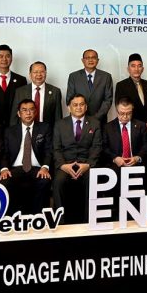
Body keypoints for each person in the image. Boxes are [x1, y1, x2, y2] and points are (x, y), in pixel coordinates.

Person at [52, 94, 101, 223]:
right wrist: (63, 165)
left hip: (86, 164)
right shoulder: (60, 124)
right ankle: (60, 222)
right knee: (58, 181)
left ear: (86, 107)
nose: (79, 107)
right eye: (75, 105)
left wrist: (88, 165)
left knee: (92, 180)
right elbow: (56, 149)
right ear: (69, 107)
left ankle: (88, 221)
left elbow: (96, 147)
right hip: (66, 164)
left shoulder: (95, 123)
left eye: (81, 104)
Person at [0, 99, 52, 215]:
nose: (28, 113)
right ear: (19, 113)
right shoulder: (9, 131)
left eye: (31, 110)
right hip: (15, 168)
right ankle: (11, 218)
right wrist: (4, 169)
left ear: (35, 112)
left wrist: (45, 167)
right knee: (4, 182)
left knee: (44, 181)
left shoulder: (44, 128)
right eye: (24, 110)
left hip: (37, 168)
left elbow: (48, 151)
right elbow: (4, 153)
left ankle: (38, 217)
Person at [65, 49, 113, 123]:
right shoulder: (73, 76)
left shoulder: (106, 77)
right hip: (78, 120)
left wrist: (96, 118)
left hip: (99, 121)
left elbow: (108, 100)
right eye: (87, 58)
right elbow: (69, 99)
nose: (90, 60)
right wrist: (81, 117)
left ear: (98, 60)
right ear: (82, 60)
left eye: (93, 57)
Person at [10, 61, 62, 128]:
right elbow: (14, 117)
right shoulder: (20, 91)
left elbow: (58, 117)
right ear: (30, 74)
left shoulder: (55, 91)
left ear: (46, 73)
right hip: (25, 130)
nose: (39, 74)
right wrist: (13, 132)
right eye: (35, 72)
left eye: (42, 72)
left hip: (47, 131)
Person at [102, 97, 147, 169]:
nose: (125, 116)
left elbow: (146, 145)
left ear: (132, 111)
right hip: (115, 166)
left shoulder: (141, 125)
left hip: (136, 165)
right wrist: (115, 158)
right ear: (117, 111)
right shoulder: (108, 127)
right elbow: (104, 147)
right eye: (122, 113)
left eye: (129, 113)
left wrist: (137, 158)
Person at [115, 53, 147, 131]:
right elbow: (120, 108)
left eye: (139, 66)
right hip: (132, 128)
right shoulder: (121, 86)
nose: (136, 69)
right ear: (128, 69)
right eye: (133, 66)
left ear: (143, 69)